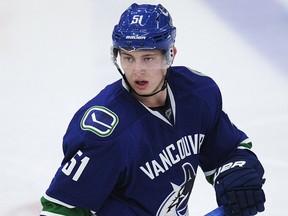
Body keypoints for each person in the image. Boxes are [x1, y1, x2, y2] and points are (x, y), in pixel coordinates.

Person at [40, 3, 266, 216]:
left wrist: (236, 170)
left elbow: (229, 151)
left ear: (170, 55)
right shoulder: (105, 130)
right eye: (128, 57)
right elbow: (61, 208)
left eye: (148, 58)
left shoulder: (196, 95)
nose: (137, 71)